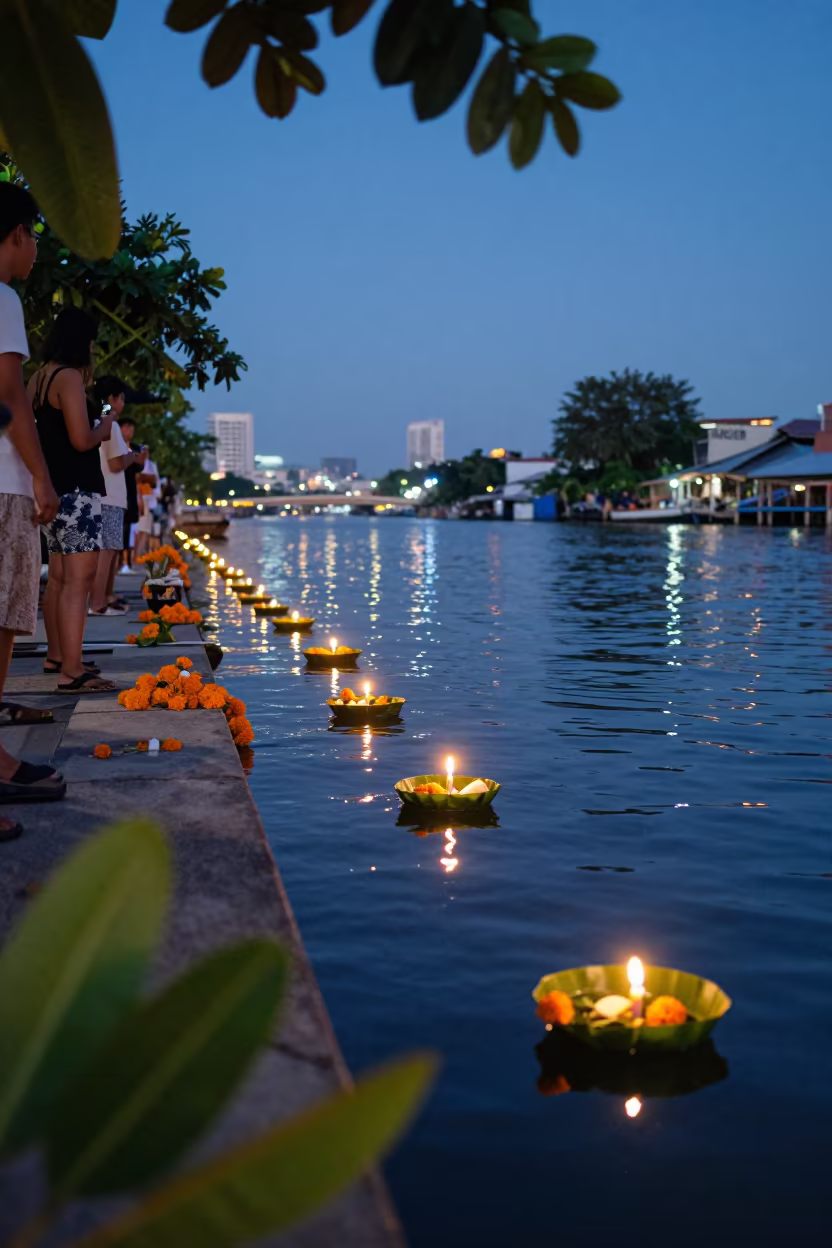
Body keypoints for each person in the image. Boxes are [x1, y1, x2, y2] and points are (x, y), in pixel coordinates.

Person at [0, 183, 65, 835]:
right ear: (15, 234)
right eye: (34, 234)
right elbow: (8, 392)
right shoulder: (2, 297)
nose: (37, 247)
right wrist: (42, 478)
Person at [28, 308, 118, 694]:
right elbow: (82, 439)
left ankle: (57, 656)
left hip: (52, 487)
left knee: (60, 579)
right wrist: (107, 426)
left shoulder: (37, 377)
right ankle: (73, 670)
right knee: (78, 581)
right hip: (78, 492)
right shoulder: (68, 378)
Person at [89, 376, 144, 614]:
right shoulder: (109, 424)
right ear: (113, 398)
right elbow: (115, 463)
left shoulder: (97, 420)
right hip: (109, 496)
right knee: (106, 553)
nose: (123, 402)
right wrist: (133, 457)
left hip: (105, 495)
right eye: (121, 398)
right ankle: (98, 603)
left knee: (110, 551)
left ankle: (106, 597)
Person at [118, 411, 144, 573]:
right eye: (128, 429)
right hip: (115, 490)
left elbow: (140, 464)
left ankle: (126, 563)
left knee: (128, 528)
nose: (130, 433)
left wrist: (134, 455)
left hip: (130, 491)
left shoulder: (134, 447)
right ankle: (120, 563)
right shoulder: (113, 444)